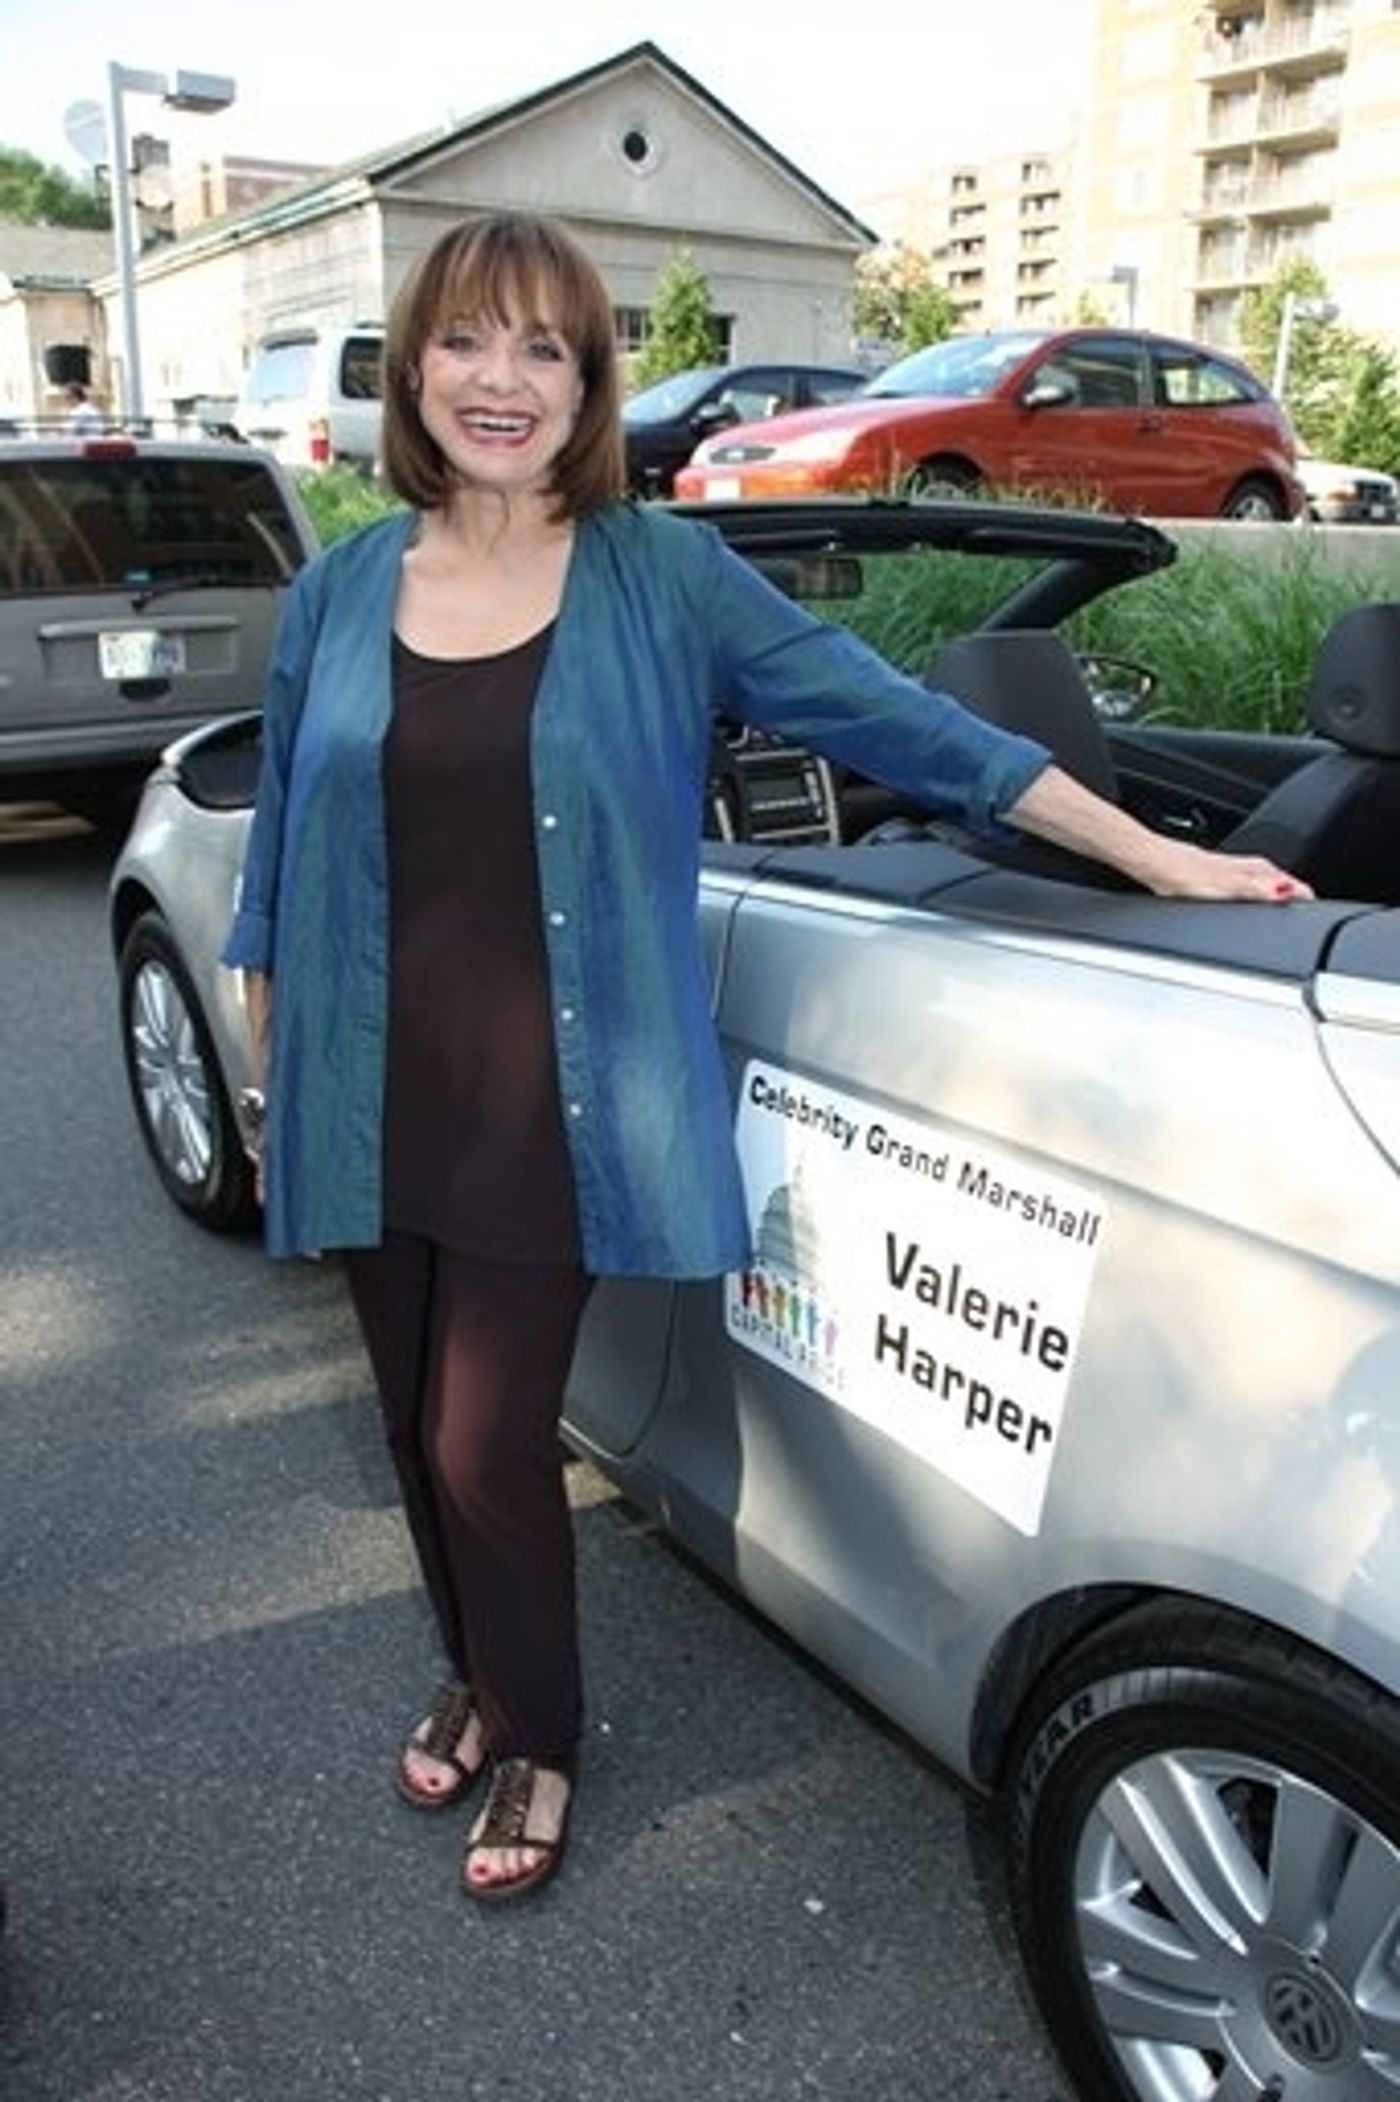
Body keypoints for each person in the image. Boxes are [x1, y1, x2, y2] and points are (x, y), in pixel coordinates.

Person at [221, 212, 1311, 1908]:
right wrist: (266, 992)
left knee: (480, 1442)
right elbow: (293, 805)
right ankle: (475, 1664)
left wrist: (1163, 856)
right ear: (412, 362)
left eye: (544, 349)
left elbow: (908, 728)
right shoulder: (348, 586)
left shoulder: (662, 575)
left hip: (553, 1105)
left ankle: (544, 1732)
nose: (500, 382)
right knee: (403, 1414)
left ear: (587, 380)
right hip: (371, 1084)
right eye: (466, 341)